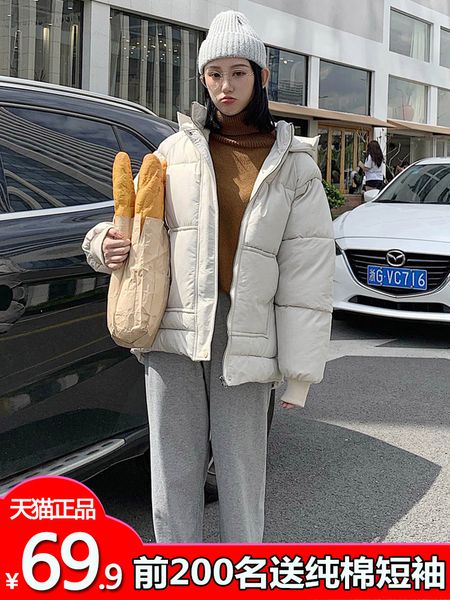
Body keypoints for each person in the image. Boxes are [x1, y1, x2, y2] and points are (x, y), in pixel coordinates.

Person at [82, 10, 334, 543]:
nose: (226, 86)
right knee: (172, 472)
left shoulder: (295, 165)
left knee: (241, 473)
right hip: (173, 325)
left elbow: (306, 275)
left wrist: (300, 373)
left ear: (261, 77)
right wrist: (102, 243)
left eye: (238, 73)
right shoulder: (173, 152)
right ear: (202, 78)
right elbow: (137, 222)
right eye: (215, 74)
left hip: (244, 331)